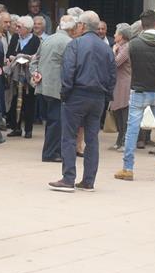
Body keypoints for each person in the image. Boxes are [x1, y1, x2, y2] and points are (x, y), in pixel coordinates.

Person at [50, 11, 116, 192]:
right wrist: (107, 96)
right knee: (92, 139)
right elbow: (112, 75)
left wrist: (65, 93)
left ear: (83, 26)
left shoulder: (76, 44)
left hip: (77, 94)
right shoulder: (106, 48)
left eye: (79, 24)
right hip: (98, 98)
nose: (77, 27)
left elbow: (68, 71)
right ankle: (88, 180)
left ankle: (68, 178)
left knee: (69, 137)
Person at [115, 10, 155, 181]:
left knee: (132, 129)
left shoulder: (134, 44)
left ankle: (128, 168)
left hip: (139, 89)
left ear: (142, 24)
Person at [31, 15, 75, 162]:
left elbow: (34, 60)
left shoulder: (47, 39)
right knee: (56, 122)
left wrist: (35, 73)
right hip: (57, 87)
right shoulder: (69, 42)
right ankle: (50, 153)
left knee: (52, 121)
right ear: (72, 29)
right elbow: (70, 66)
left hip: (43, 86)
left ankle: (53, 151)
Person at [5, 16, 40, 138]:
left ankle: (29, 129)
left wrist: (26, 58)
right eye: (17, 26)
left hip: (28, 75)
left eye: (19, 27)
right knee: (15, 101)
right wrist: (13, 57)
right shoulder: (15, 38)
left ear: (28, 29)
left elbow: (37, 57)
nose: (16, 28)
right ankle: (16, 127)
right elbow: (9, 53)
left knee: (29, 101)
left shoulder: (36, 40)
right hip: (16, 74)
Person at [108, 23, 134, 151]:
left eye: (116, 33)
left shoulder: (126, 48)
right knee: (118, 112)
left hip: (124, 83)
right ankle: (119, 140)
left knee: (124, 113)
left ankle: (124, 141)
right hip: (119, 83)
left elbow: (115, 63)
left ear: (122, 35)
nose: (114, 35)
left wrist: (113, 52)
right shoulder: (121, 47)